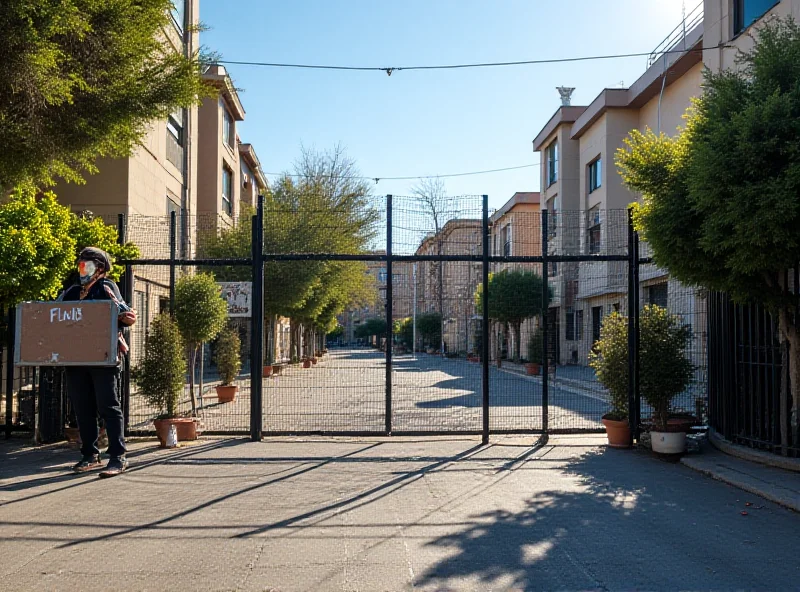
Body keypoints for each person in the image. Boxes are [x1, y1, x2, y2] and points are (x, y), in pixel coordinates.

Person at [58, 247, 136, 478]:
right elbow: (53, 312)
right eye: (81, 265)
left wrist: (126, 317)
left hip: (104, 358)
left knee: (108, 406)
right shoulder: (71, 291)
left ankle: (117, 456)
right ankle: (90, 455)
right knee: (82, 407)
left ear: (100, 268)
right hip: (76, 358)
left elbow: (124, 312)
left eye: (88, 265)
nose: (83, 269)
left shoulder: (106, 287)